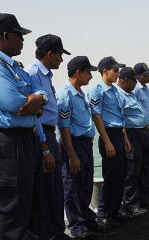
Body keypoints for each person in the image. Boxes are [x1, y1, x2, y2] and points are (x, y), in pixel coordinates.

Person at [0, 13, 48, 240]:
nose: (23, 40)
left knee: (31, 201)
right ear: (5, 35)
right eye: (19, 35)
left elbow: (40, 94)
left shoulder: (15, 67)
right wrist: (33, 100)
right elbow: (13, 103)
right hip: (10, 143)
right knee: (13, 208)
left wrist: (37, 99)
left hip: (27, 139)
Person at [25, 34, 71, 240]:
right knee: (44, 191)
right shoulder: (33, 73)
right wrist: (44, 147)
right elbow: (35, 115)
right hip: (40, 135)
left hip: (50, 135)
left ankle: (56, 232)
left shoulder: (46, 76)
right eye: (60, 54)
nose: (62, 59)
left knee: (55, 188)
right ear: (50, 53)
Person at [57, 56, 99, 238]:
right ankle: (77, 226)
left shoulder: (80, 92)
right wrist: (72, 155)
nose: (90, 75)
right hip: (73, 144)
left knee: (85, 184)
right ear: (78, 73)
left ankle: (87, 220)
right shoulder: (65, 94)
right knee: (72, 187)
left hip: (85, 144)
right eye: (88, 72)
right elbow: (64, 127)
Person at [88, 56, 130, 228]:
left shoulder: (114, 90)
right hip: (108, 135)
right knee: (110, 175)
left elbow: (120, 116)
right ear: (105, 71)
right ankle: (104, 213)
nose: (118, 73)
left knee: (121, 175)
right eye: (115, 70)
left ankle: (115, 209)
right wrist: (107, 141)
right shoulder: (96, 90)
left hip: (119, 133)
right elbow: (96, 116)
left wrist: (125, 138)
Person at [117, 67, 149, 216]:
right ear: (124, 80)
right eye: (133, 81)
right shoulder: (119, 95)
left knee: (141, 168)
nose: (135, 84)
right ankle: (129, 204)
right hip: (131, 134)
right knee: (131, 171)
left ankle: (141, 200)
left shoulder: (130, 94)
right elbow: (120, 118)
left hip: (141, 132)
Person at [133, 62, 149, 205]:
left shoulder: (146, 89)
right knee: (137, 166)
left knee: (148, 164)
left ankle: (147, 194)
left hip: (148, 129)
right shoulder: (135, 89)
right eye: (146, 75)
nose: (148, 77)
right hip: (137, 130)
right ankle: (139, 199)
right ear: (139, 75)